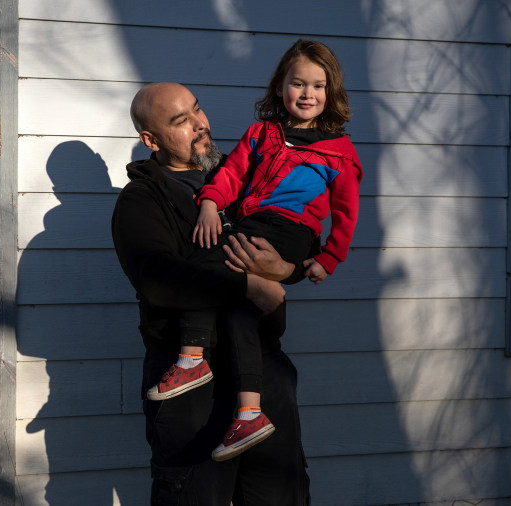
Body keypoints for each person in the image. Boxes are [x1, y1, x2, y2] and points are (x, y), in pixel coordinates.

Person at [146, 39, 363, 461]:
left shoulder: (339, 152)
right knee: (238, 310)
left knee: (207, 265)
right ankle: (250, 411)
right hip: (251, 222)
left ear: (330, 93)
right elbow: (232, 172)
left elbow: (346, 212)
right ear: (280, 87)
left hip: (292, 230)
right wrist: (210, 203)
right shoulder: (263, 134)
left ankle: (191, 356)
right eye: (297, 83)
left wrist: (327, 258)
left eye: (318, 86)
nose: (307, 94)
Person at [112, 80, 310, 504]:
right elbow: (158, 277)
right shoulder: (143, 199)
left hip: (262, 372)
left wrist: (286, 270)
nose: (200, 125)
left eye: (197, 111)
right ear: (150, 139)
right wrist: (249, 284)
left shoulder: (242, 179)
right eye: (181, 121)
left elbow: (295, 231)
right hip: (191, 390)